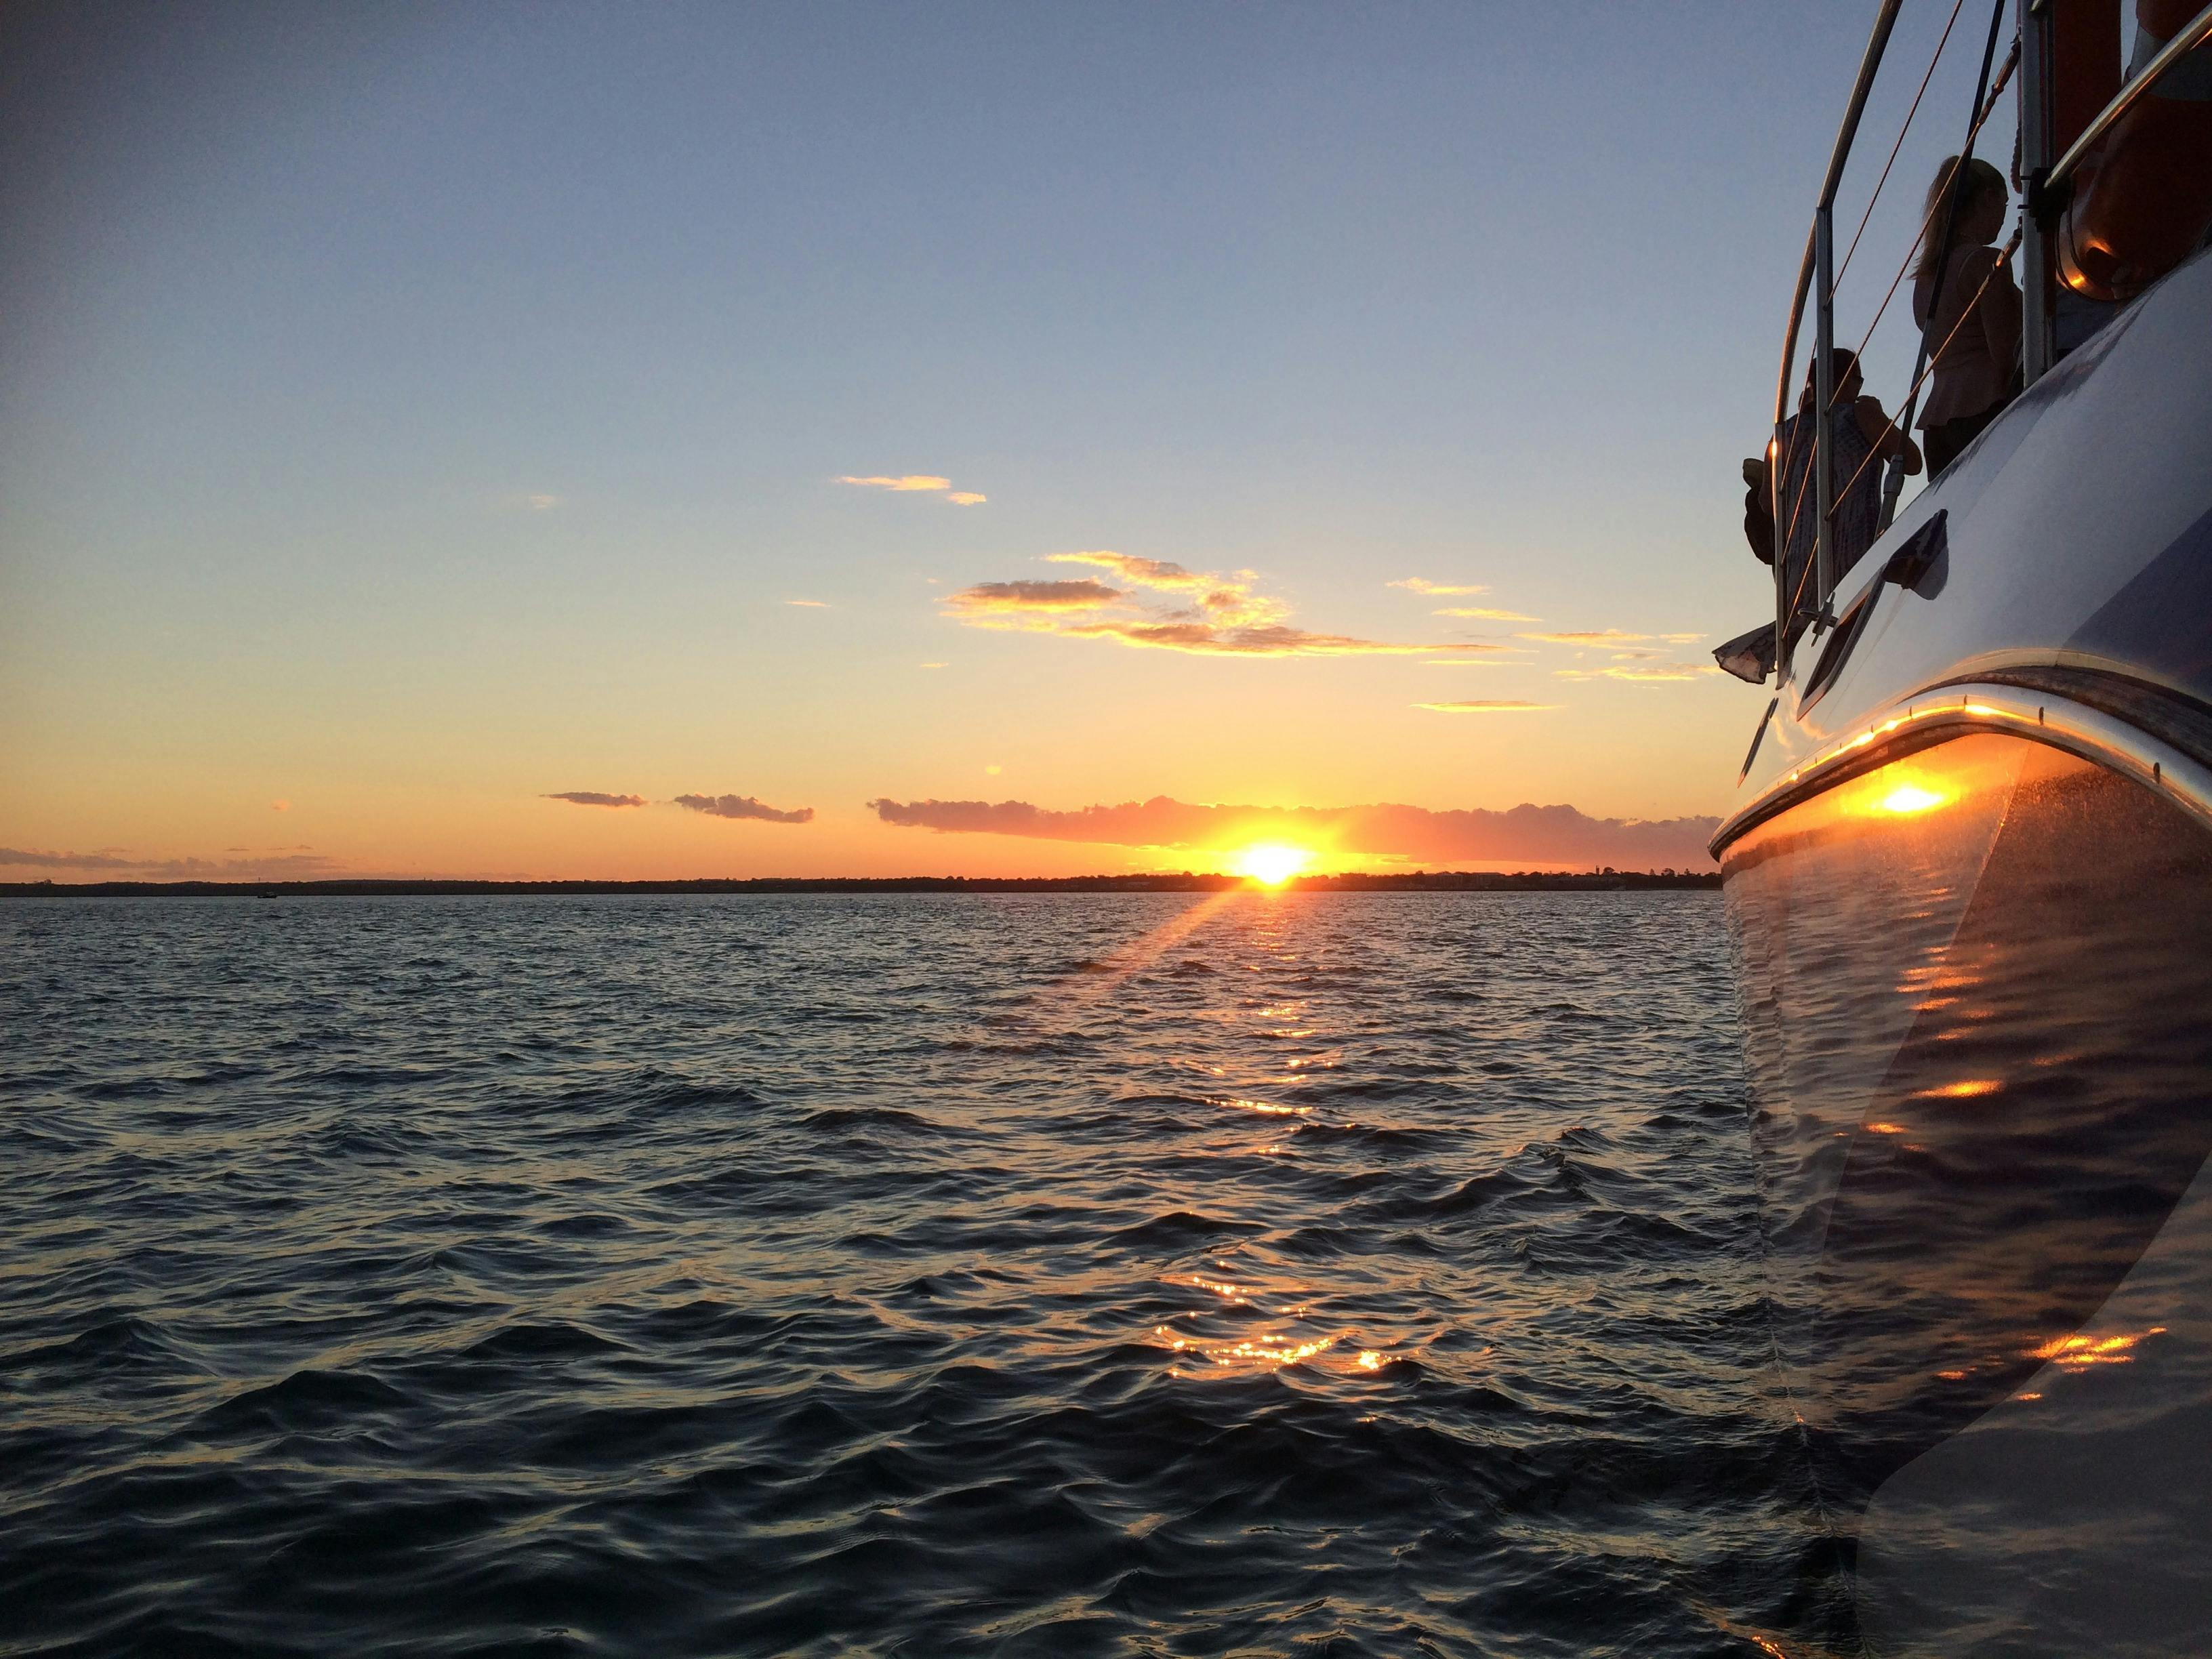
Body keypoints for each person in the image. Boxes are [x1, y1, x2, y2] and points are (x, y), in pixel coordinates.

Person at [1761, 349, 1920, 640]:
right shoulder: (1859, 415)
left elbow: (1767, 502)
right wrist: (1877, 414)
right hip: (1852, 556)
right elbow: (1912, 462)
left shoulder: (1784, 433)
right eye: (1858, 380)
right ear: (1850, 381)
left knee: (1811, 644)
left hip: (1799, 569)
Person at [1913, 155, 2022, 475]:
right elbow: (2005, 353)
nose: (2004, 216)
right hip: (1987, 405)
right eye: (2004, 204)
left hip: (1938, 421)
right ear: (1988, 198)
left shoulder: (1926, 277)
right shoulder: (1985, 262)